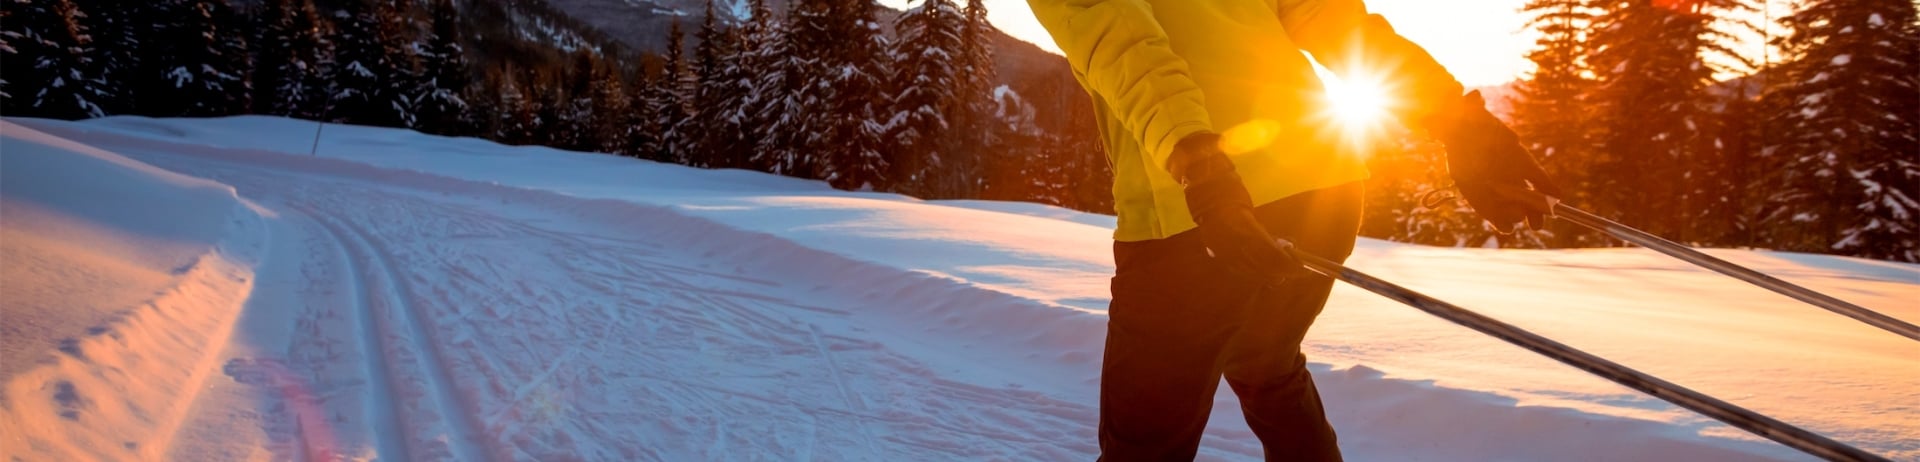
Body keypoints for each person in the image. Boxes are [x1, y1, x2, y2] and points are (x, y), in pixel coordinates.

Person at [1025, 0, 1562, 460]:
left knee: (1144, 445)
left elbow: (1122, 43)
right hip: (1323, 188)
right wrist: (1453, 118)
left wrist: (1202, 167)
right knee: (1267, 370)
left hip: (1198, 214)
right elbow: (1327, 17)